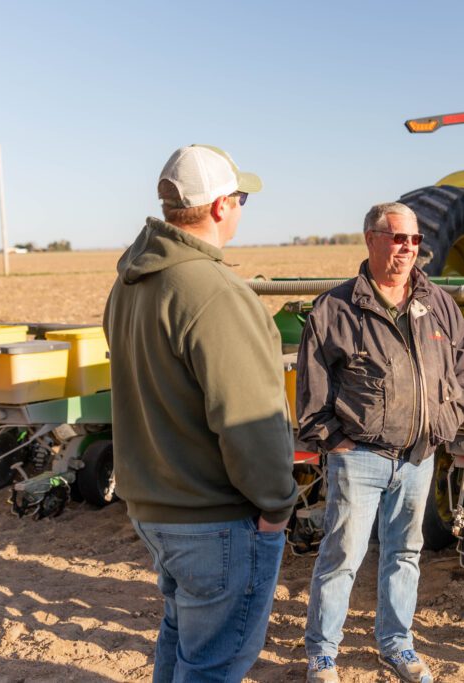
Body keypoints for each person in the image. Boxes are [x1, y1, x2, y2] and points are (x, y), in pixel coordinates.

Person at [103, 144, 299, 682]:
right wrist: (277, 506)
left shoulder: (131, 283)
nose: (239, 209)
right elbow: (249, 418)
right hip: (214, 518)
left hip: (155, 507)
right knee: (214, 664)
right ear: (218, 207)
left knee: (182, 637)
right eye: (239, 198)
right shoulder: (213, 292)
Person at [296, 202, 464, 683]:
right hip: (359, 457)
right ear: (371, 239)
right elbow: (312, 388)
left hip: (419, 458)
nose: (408, 249)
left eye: (415, 241)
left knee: (405, 555)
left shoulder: (437, 303)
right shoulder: (336, 309)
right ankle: (322, 653)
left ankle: (397, 643)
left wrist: (446, 421)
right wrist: (333, 442)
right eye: (398, 238)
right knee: (341, 559)